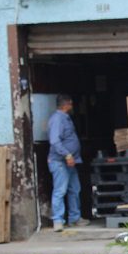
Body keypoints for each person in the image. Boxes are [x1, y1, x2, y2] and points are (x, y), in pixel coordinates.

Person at [47, 94, 88, 232]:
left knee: (74, 189)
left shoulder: (65, 118)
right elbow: (54, 141)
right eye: (70, 104)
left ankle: (74, 218)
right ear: (66, 105)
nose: (72, 107)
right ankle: (58, 221)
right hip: (60, 162)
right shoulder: (58, 119)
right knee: (60, 190)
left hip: (70, 162)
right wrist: (67, 154)